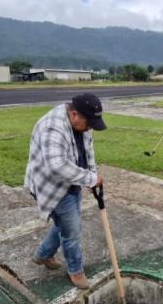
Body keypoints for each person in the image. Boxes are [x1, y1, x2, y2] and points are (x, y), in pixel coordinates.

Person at [25, 93, 106, 289]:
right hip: (52, 186)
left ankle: (42, 254)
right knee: (72, 232)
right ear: (74, 114)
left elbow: (88, 151)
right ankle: (75, 271)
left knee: (66, 223)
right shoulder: (53, 127)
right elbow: (57, 166)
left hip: (73, 182)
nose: (90, 128)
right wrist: (90, 178)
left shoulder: (82, 124)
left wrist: (92, 175)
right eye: (89, 123)